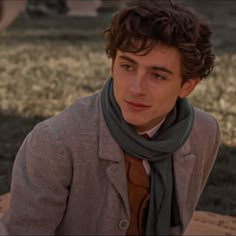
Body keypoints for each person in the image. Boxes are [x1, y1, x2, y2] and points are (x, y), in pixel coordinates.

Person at [0, 0, 220, 235]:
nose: (136, 88)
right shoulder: (56, 142)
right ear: (113, 65)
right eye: (128, 66)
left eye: (157, 75)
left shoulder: (202, 132)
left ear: (187, 86)